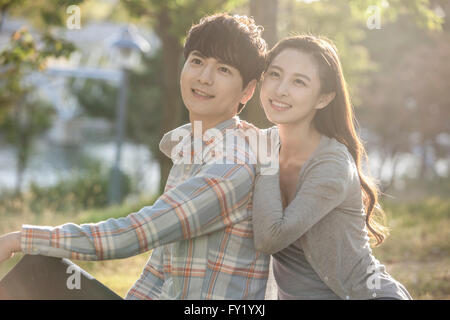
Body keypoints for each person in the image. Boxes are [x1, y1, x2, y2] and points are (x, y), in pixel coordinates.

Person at [0, 13, 270, 300]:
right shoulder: (193, 149)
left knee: (38, 270)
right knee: (40, 269)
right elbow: (158, 269)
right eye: (198, 61)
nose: (204, 77)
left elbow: (137, 232)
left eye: (223, 69)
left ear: (248, 91)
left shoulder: (234, 164)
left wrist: (20, 239)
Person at [251, 35, 412, 300]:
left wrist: (266, 161)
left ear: (323, 98)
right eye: (274, 74)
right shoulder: (262, 143)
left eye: (299, 82)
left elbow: (270, 238)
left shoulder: (332, 164)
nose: (280, 89)